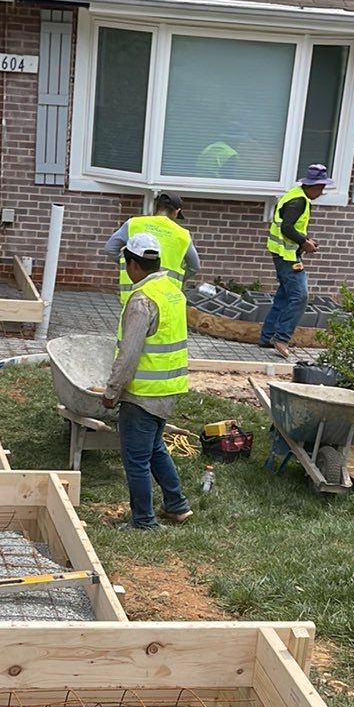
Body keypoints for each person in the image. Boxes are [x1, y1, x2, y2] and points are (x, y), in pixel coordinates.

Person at [102, 233, 195, 531]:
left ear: (133, 265)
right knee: (155, 449)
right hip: (167, 389)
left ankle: (143, 521)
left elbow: (129, 353)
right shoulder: (172, 291)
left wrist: (112, 390)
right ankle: (177, 506)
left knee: (136, 459)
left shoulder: (142, 300)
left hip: (142, 394)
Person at [260, 163, 332, 356]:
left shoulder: (297, 196)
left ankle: (267, 336)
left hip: (286, 252)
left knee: (284, 295)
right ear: (313, 186)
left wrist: (305, 241)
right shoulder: (298, 201)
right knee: (300, 297)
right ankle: (281, 338)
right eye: (321, 187)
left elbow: (290, 227)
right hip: (287, 256)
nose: (322, 192)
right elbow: (287, 228)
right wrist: (303, 242)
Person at [103, 193, 200, 302]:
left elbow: (110, 249)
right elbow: (194, 267)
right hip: (166, 295)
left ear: (156, 207)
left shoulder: (135, 223)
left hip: (134, 291)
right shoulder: (182, 235)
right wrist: (179, 277)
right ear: (176, 212)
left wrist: (128, 262)